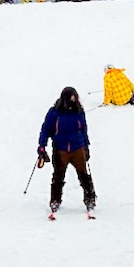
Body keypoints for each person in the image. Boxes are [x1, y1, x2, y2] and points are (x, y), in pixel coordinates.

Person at [37, 86, 96, 215]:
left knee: (83, 174)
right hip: (60, 149)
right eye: (71, 98)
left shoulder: (79, 111)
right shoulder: (54, 112)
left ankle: (90, 198)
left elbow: (84, 130)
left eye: (75, 97)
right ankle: (55, 200)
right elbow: (46, 129)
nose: (74, 100)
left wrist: (86, 147)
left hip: (77, 148)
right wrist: (42, 146)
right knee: (58, 175)